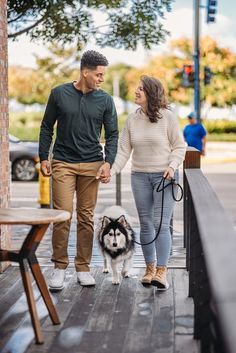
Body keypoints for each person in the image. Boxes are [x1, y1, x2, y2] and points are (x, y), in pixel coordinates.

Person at [39, 50, 118, 290]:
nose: (101, 79)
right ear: (85, 72)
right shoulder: (59, 93)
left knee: (86, 218)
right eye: (98, 74)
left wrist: (108, 162)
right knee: (62, 215)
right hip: (63, 162)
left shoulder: (105, 100)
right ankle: (59, 268)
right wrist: (44, 156)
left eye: (103, 75)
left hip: (93, 164)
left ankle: (83, 268)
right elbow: (46, 127)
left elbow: (113, 134)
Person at [111, 76, 186, 290]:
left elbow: (179, 146)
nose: (136, 91)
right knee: (145, 223)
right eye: (137, 88)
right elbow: (124, 150)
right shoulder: (132, 119)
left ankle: (162, 271)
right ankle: (149, 268)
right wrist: (111, 171)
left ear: (151, 94)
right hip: (140, 176)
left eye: (141, 89)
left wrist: (172, 166)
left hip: (165, 177)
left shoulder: (168, 118)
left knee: (161, 223)